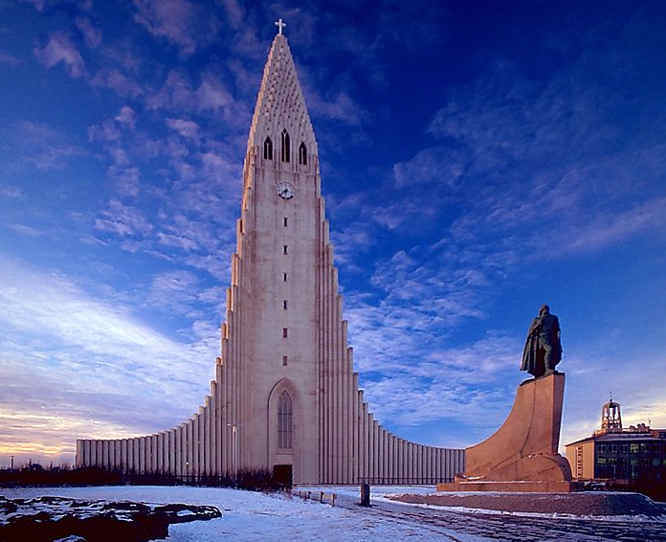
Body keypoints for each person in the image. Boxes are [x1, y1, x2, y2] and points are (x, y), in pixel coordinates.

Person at [520, 304, 562, 378]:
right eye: (544, 309)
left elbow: (557, 329)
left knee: (550, 351)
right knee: (543, 352)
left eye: (546, 308)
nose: (545, 310)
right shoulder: (537, 319)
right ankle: (545, 369)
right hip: (539, 339)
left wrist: (558, 339)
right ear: (541, 311)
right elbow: (530, 331)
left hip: (550, 338)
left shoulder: (553, 318)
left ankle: (547, 369)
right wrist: (537, 325)